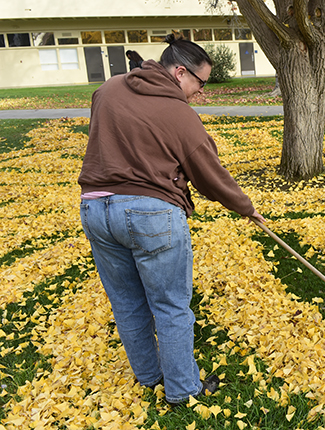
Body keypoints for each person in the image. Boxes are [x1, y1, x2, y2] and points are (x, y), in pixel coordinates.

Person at [78, 34, 266, 405]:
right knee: (170, 304)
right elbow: (208, 173)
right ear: (180, 73)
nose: (200, 92)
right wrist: (245, 207)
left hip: (95, 209)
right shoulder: (179, 112)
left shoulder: (108, 88)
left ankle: (148, 377)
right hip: (150, 213)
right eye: (201, 83)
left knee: (127, 302)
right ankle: (182, 389)